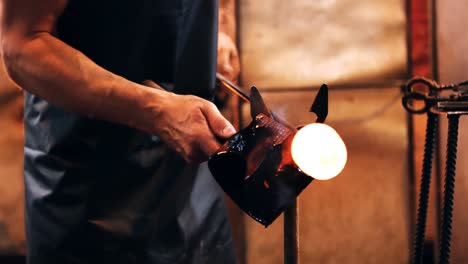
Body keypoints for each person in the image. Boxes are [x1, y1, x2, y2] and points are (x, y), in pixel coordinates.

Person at [0, 0, 240, 263]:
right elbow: (22, 47)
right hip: (91, 189)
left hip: (192, 186)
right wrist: (157, 112)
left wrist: (220, 28)